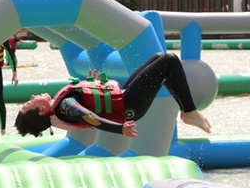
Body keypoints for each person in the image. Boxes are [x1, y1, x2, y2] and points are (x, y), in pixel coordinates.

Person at [14, 52, 211, 138]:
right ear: (41, 111)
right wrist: (120, 129)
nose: (32, 96)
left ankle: (186, 111)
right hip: (129, 106)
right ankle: (189, 111)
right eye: (30, 102)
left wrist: (94, 85)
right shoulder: (65, 106)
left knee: (159, 58)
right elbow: (89, 117)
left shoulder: (61, 108)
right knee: (169, 60)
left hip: (124, 96)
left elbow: (92, 106)